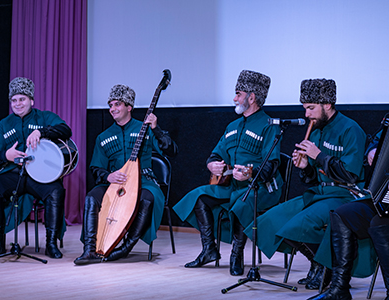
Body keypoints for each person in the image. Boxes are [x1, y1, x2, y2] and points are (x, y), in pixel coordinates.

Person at [256, 78, 366, 290]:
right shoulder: (315, 130)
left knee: (298, 224)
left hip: (345, 195)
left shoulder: (351, 129)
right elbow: (312, 179)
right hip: (320, 193)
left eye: (310, 108)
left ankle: (327, 269)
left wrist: (319, 155)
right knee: (272, 220)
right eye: (305, 108)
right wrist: (306, 166)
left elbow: (351, 175)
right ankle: (317, 263)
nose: (306, 114)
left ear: (327, 105)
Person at [173, 70, 283, 276]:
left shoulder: (270, 126)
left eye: (238, 93)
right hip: (233, 186)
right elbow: (215, 154)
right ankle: (209, 250)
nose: (234, 98)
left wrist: (251, 174)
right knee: (199, 196)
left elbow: (271, 166)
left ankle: (236, 254)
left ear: (251, 97)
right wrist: (212, 165)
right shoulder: (232, 126)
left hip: (260, 188)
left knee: (242, 202)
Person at [74, 84, 178, 265]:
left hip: (144, 181)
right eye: (110, 105)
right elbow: (96, 168)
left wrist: (156, 128)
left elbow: (172, 150)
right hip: (113, 183)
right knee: (92, 197)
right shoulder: (103, 137)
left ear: (129, 107)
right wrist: (108, 177)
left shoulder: (145, 129)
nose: (112, 109)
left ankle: (125, 248)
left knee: (148, 198)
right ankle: (90, 250)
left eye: (117, 104)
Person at [0, 77, 72, 259]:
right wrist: (6, 156)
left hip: (40, 177)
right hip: (13, 174)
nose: (18, 104)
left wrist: (42, 132)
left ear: (31, 101)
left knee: (56, 190)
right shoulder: (3, 124)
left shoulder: (44, 117)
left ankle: (51, 243)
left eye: (22, 99)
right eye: (14, 100)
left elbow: (66, 130)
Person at [308, 128, 389, 300]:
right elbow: (377, 138)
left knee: (379, 223)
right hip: (385, 198)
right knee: (343, 215)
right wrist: (372, 150)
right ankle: (339, 289)